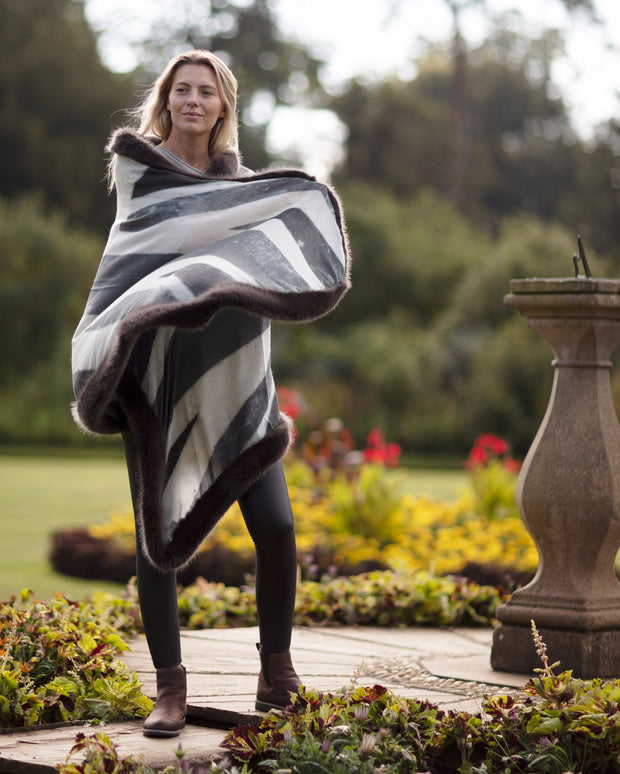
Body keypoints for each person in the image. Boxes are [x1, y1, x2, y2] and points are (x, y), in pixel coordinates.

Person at [71, 50, 350, 738]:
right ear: (166, 100)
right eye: (181, 90)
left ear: (223, 106)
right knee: (155, 533)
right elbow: (127, 277)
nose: (192, 100)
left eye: (206, 92)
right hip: (154, 379)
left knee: (279, 527)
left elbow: (267, 267)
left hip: (238, 383)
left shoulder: (249, 191)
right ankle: (169, 690)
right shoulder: (142, 179)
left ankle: (275, 673)